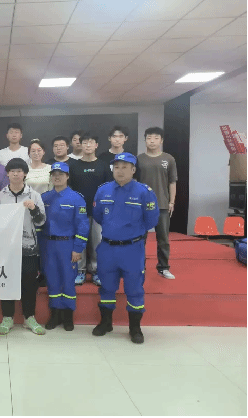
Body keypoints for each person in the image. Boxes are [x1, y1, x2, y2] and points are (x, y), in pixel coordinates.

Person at [92, 152, 159, 344]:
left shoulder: (144, 192)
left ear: (133, 169)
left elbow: (151, 220)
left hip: (132, 249)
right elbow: (98, 216)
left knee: (134, 288)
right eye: (116, 167)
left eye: (124, 167)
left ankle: (135, 328)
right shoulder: (103, 191)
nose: (120, 171)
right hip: (108, 248)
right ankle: (106, 323)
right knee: (106, 287)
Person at [0, 158, 46, 336]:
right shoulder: (0, 196)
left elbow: (41, 221)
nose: (15, 174)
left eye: (19, 171)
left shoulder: (34, 195)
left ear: (25, 174)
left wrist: (34, 209)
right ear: (7, 174)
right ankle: (7, 317)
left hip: (28, 247)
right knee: (6, 282)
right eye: (12, 171)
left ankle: (29, 317)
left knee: (29, 284)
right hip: (6, 249)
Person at [41, 162, 89, 331]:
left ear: (67, 176)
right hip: (48, 245)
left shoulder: (76, 198)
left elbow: (83, 225)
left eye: (61, 174)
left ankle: (68, 317)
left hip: (67, 245)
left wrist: (78, 248)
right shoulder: (45, 198)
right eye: (54, 174)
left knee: (68, 280)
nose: (57, 177)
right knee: (52, 280)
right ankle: (55, 315)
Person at [68, 133, 113, 286]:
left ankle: (96, 271)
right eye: (85, 142)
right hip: (79, 212)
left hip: (98, 212)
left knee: (98, 243)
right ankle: (80, 271)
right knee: (79, 242)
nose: (88, 145)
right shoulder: (73, 166)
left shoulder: (103, 165)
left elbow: (109, 189)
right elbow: (69, 188)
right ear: (80, 145)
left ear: (96, 145)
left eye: (91, 142)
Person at [136, 127, 177, 280]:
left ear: (161, 140)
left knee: (163, 239)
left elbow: (172, 182)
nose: (152, 141)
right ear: (145, 140)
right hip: (142, 206)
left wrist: (172, 201)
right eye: (149, 138)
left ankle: (163, 268)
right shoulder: (138, 159)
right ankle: (139, 267)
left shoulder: (169, 159)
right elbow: (133, 182)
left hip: (162, 204)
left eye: (155, 138)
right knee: (140, 239)